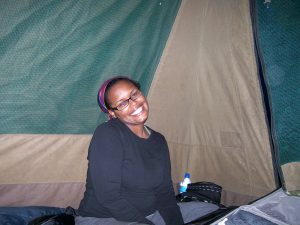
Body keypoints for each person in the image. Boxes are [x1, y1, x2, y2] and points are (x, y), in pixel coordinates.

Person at [76, 76, 219, 225]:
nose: (134, 104)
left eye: (134, 94)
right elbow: (108, 196)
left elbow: (164, 193)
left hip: (149, 214)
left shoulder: (159, 140)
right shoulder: (108, 133)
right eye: (122, 103)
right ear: (112, 113)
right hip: (104, 218)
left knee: (211, 210)